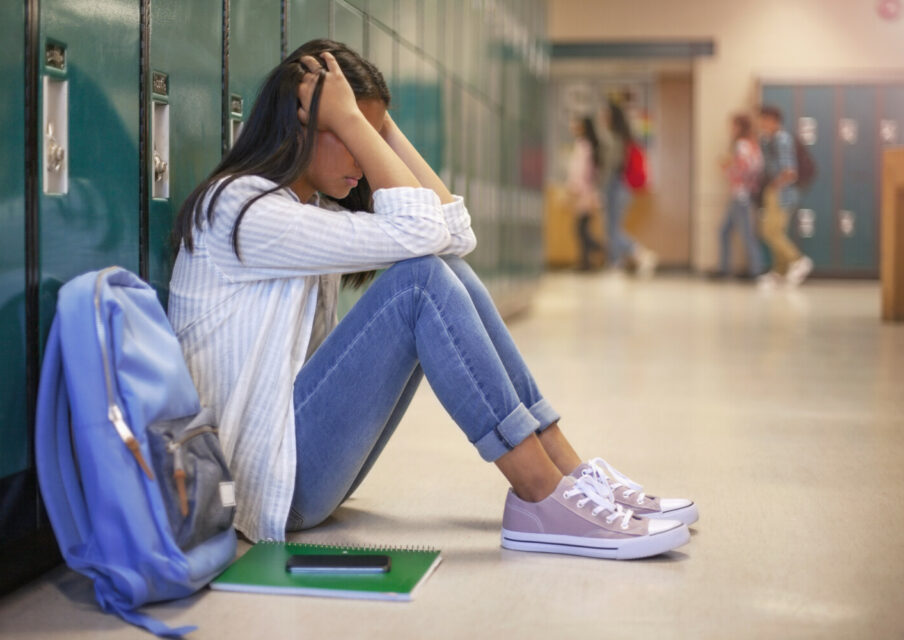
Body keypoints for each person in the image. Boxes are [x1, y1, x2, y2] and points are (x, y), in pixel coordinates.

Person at [168, 39, 697, 560]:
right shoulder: (241, 211)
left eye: (373, 137)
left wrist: (373, 122)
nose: (363, 156)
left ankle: (567, 474)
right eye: (352, 136)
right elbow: (423, 234)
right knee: (419, 282)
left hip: (293, 466)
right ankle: (539, 493)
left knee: (444, 270)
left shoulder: (310, 212)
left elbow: (454, 233)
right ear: (303, 124)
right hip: (260, 486)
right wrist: (356, 122)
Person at [757, 105, 813, 288]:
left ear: (774, 120)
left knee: (770, 232)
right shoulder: (768, 140)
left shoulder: (783, 139)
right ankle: (779, 272)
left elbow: (790, 172)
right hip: (773, 191)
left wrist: (775, 185)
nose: (761, 123)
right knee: (774, 232)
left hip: (781, 192)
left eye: (764, 119)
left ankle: (798, 260)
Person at [601, 100, 657, 276]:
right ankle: (615, 263)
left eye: (606, 114)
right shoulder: (624, 137)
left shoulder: (615, 138)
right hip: (622, 187)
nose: (602, 117)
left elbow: (611, 166)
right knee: (611, 227)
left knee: (613, 229)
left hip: (617, 186)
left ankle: (639, 252)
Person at [715, 114, 764, 278]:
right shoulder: (753, 144)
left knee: (746, 234)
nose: (730, 130)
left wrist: (726, 168)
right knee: (724, 231)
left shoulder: (742, 145)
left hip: (741, 194)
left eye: (733, 126)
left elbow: (744, 168)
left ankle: (755, 270)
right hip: (743, 193)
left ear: (739, 127)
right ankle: (724, 269)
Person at [565, 116, 605, 270]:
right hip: (585, 193)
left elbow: (580, 171)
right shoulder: (588, 147)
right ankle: (586, 262)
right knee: (582, 229)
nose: (574, 127)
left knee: (581, 229)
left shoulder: (584, 147)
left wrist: (574, 188)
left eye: (578, 125)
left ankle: (597, 250)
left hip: (583, 194)